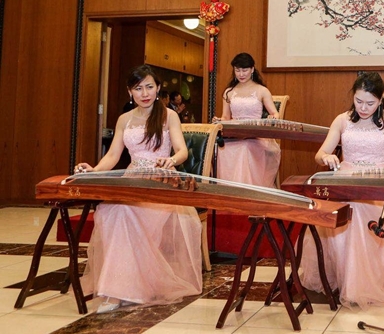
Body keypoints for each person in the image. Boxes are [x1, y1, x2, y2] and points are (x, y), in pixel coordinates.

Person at [74, 65, 202, 313]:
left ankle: (118, 292)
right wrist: (94, 170)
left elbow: (182, 151)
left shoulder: (169, 116)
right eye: (138, 88)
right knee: (110, 211)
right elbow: (113, 155)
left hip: (161, 181)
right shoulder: (125, 119)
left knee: (124, 212)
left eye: (149, 87)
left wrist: (171, 160)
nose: (144, 93)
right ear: (130, 91)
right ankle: (121, 287)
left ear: (158, 88)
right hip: (132, 179)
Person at [299, 72, 384, 308]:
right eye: (359, 101)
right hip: (347, 179)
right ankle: (348, 281)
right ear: (353, 97)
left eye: (370, 103)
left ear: (380, 100)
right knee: (346, 212)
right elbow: (320, 153)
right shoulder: (342, 120)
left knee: (373, 215)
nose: (364, 108)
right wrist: (326, 157)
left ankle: (368, 284)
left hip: (378, 182)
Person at [214, 53, 281, 187]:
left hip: (255, 137)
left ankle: (246, 190)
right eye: (237, 70)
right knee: (221, 149)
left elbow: (275, 114)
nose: (241, 74)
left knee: (245, 147)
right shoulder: (229, 92)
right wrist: (219, 120)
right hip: (235, 135)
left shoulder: (262, 90)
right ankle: (230, 191)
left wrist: (272, 117)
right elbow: (226, 117)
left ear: (252, 69)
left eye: (244, 70)